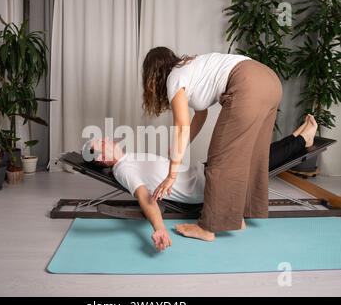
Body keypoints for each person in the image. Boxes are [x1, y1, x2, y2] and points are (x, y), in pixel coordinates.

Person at [82, 115, 318, 251]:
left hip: (203, 173)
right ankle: (299, 141)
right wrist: (160, 228)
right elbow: (144, 197)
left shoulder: (128, 158)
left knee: (246, 153)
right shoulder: (124, 169)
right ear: (102, 157)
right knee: (250, 160)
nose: (107, 138)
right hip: (207, 185)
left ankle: (297, 139)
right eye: (101, 141)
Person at [141, 47, 283, 242]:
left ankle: (207, 228)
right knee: (250, 155)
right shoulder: (191, 68)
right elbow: (200, 114)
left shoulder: (174, 78)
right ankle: (237, 217)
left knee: (220, 159)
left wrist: (171, 175)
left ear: (153, 75)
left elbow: (181, 126)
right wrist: (180, 147)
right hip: (270, 81)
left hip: (247, 82)